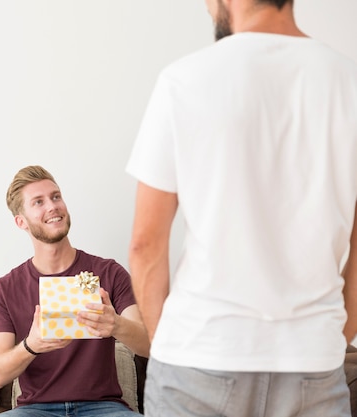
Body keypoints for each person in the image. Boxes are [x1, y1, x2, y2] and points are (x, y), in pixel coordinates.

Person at [126, 0, 357, 416]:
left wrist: (166, 347)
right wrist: (329, 340)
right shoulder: (349, 82)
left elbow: (146, 245)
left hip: (198, 360)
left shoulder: (185, 80)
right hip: (312, 362)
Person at [0, 165, 149, 417]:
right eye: (38, 202)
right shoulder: (6, 288)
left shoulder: (109, 272)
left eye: (55, 196)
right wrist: (31, 345)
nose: (52, 206)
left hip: (103, 407)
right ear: (21, 222)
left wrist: (116, 325)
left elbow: (148, 346)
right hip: (35, 410)